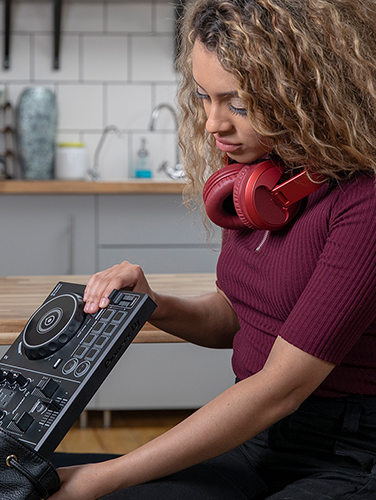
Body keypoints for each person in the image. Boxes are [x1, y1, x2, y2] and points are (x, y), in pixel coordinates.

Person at [48, 0, 376, 498]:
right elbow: (236, 317)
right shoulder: (258, 184)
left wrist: (104, 475)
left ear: (306, 90)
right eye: (203, 97)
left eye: (238, 103)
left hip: (350, 456)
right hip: (258, 437)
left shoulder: (363, 201)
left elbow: (281, 387)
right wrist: (151, 303)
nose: (212, 123)